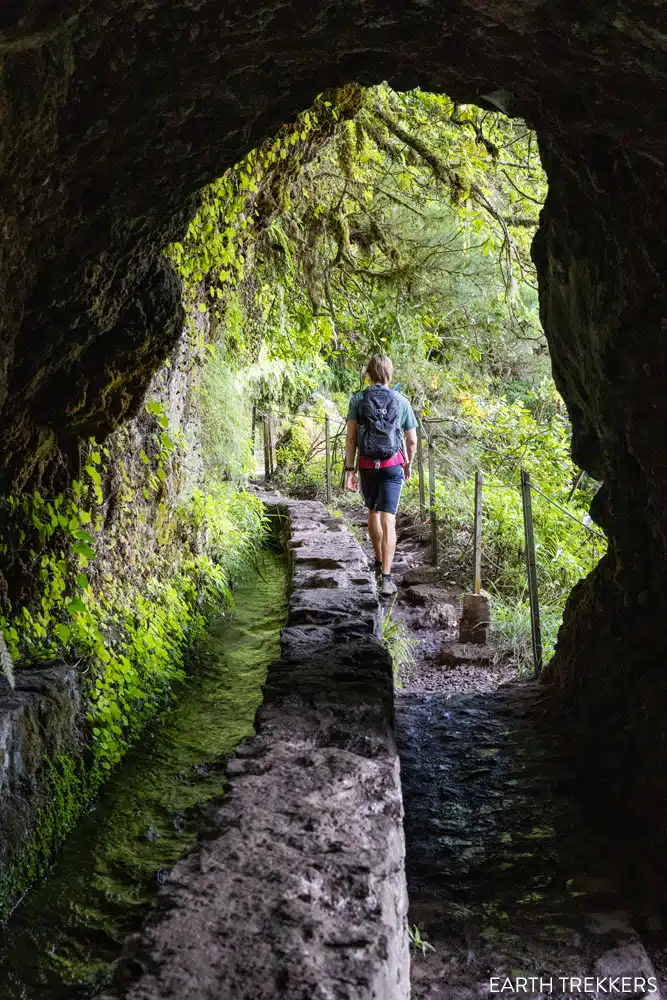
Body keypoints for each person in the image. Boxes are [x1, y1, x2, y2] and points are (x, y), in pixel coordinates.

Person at [345, 353, 418, 597]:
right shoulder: (401, 401)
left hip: (367, 465)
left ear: (369, 374)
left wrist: (349, 470)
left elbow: (352, 438)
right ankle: (387, 579)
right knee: (389, 519)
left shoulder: (358, 399)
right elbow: (412, 440)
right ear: (390, 373)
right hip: (392, 465)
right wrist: (407, 464)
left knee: (373, 513)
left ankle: (377, 562)